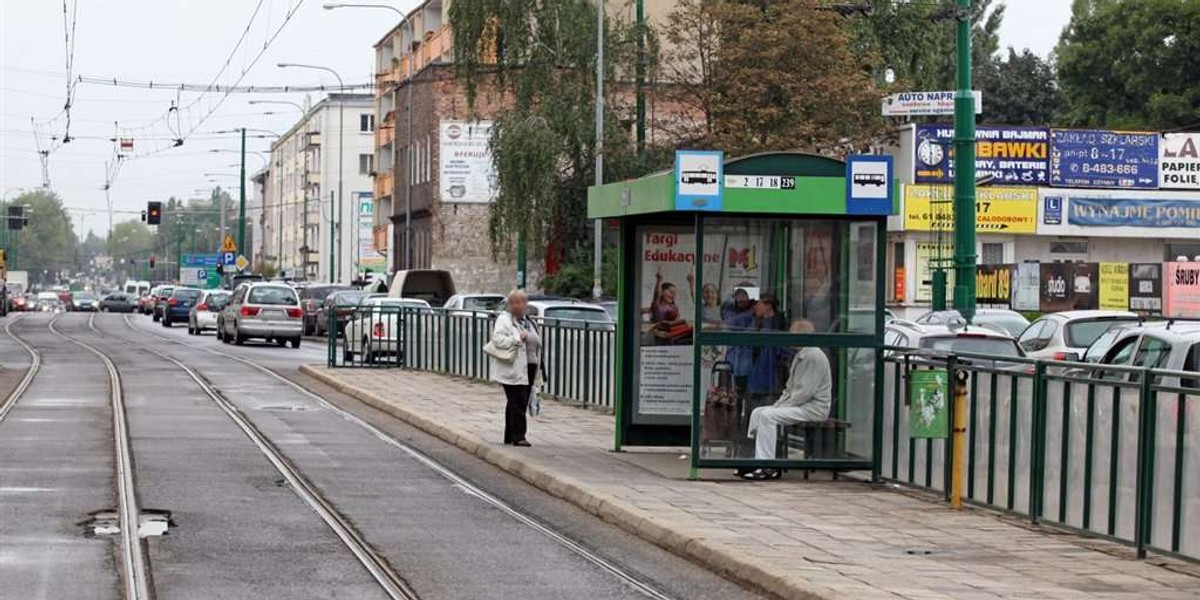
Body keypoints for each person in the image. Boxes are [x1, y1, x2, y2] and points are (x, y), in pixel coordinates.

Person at [741, 319, 832, 480]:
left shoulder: (813, 357)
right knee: (757, 412)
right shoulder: (802, 355)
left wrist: (781, 407)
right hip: (800, 405)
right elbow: (790, 387)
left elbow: (804, 393)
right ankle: (755, 459)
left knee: (768, 416)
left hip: (813, 408)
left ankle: (767, 465)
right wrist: (779, 405)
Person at [489, 289, 542, 446]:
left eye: (521, 302)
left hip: (530, 366)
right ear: (510, 305)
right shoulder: (504, 320)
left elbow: (536, 343)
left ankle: (510, 435)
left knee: (518, 401)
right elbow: (497, 339)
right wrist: (517, 338)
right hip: (512, 367)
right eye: (514, 302)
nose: (518, 306)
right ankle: (519, 437)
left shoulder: (529, 321)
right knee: (517, 400)